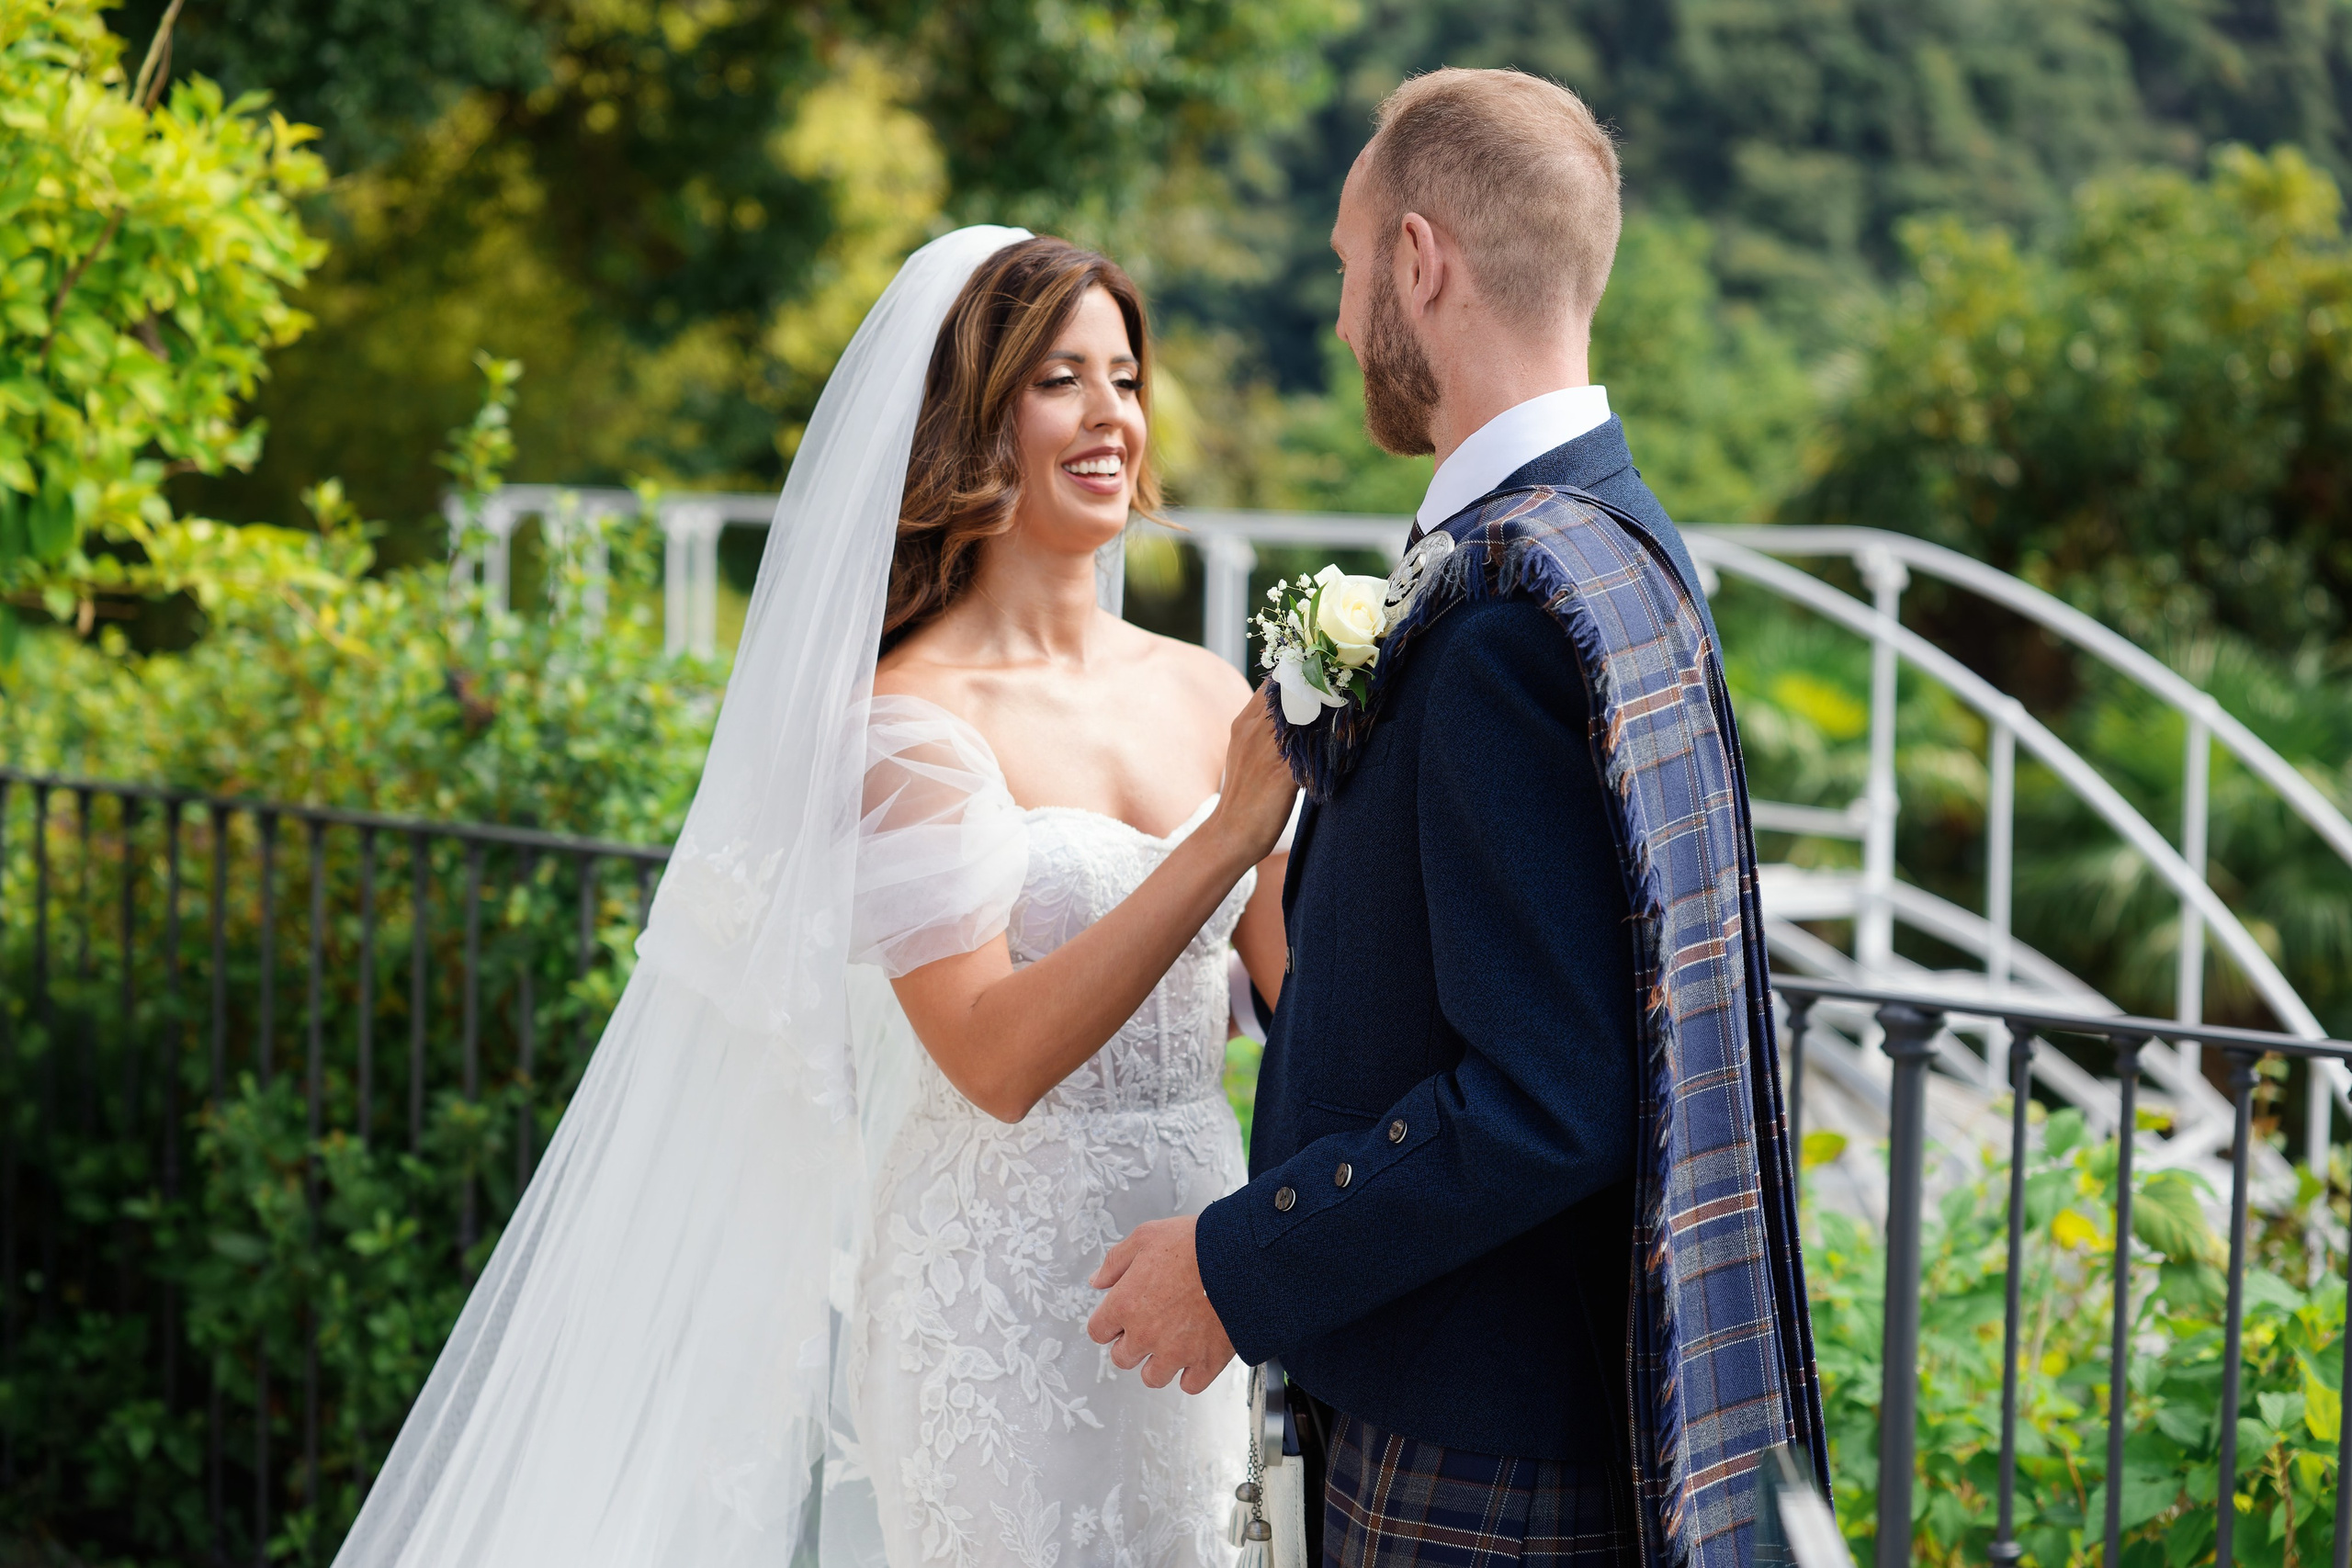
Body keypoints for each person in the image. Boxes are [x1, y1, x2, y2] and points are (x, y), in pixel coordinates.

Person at [332, 228, 1296, 1568]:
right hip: (996, 1302)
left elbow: (1297, 995)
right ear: (972, 418)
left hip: (1198, 1259)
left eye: (1124, 378)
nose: (1109, 417)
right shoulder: (901, 727)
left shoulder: (1207, 691)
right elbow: (995, 1059)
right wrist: (1230, 834)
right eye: (1057, 380)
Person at [1084, 69, 1828, 1568]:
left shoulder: (1504, 619)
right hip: (1498, 1397)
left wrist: (1242, 1264)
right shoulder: (1617, 542)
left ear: (1422, 261)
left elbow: (1548, 1094)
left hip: (1469, 1445)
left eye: (1354, 269)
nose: (1346, 321)